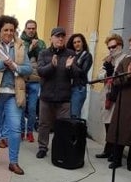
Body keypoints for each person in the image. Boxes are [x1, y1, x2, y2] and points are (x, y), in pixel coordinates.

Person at [0, 14, 32, 175]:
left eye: (12, 30)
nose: (9, 33)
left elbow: (29, 68)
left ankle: (13, 162)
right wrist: (2, 63)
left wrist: (16, 67)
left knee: (15, 129)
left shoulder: (21, 46)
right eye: (6, 30)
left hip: (14, 93)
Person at [106, 33, 131, 170]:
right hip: (124, 100)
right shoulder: (125, 61)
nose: (130, 48)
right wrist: (128, 75)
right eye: (130, 45)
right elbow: (116, 80)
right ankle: (117, 159)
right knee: (120, 130)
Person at [36, 27, 74, 159]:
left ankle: (59, 148)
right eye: (57, 36)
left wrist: (70, 68)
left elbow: (77, 74)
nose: (60, 39)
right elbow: (40, 71)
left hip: (64, 98)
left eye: (63, 36)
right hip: (46, 96)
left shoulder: (70, 53)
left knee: (63, 126)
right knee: (44, 124)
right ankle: (42, 147)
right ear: (51, 38)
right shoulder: (44, 53)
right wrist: (51, 66)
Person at [95, 34, 125, 159]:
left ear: (120, 45)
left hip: (118, 94)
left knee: (115, 125)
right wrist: (106, 71)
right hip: (107, 94)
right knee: (107, 123)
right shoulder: (108, 59)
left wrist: (112, 72)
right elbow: (100, 76)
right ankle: (108, 149)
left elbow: (122, 76)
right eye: (109, 47)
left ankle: (115, 152)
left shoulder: (125, 58)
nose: (111, 49)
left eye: (114, 46)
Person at [20, 19, 45, 141]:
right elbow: (20, 60)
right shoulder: (19, 42)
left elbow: (43, 59)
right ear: (25, 29)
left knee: (31, 108)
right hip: (22, 80)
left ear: (36, 29)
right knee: (21, 107)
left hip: (35, 80)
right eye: (29, 28)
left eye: (33, 28)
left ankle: (29, 131)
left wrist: (36, 47)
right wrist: (30, 49)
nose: (31, 30)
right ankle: (20, 131)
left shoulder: (41, 43)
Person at [67, 33, 93, 118]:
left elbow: (83, 72)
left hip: (78, 88)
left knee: (74, 116)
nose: (76, 44)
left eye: (79, 42)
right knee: (67, 116)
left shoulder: (87, 56)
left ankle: (75, 132)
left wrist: (72, 65)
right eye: (74, 42)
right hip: (68, 88)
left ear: (83, 43)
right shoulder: (71, 55)